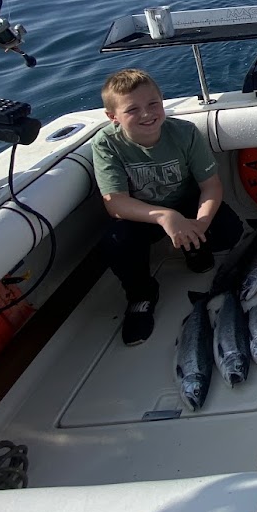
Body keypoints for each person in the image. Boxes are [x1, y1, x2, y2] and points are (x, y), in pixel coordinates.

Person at [91, 68, 242, 345]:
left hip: (185, 203)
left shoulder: (184, 133)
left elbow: (211, 186)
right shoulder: (106, 144)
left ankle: (194, 248)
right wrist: (164, 217)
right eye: (132, 109)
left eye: (153, 104)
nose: (147, 114)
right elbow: (115, 204)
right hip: (141, 215)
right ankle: (141, 295)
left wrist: (199, 226)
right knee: (115, 243)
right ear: (113, 117)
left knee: (229, 230)